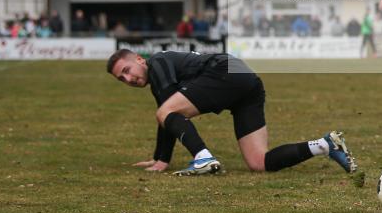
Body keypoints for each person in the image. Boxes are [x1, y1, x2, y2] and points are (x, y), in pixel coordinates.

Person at [107, 49, 356, 176]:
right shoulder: (160, 74)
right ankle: (325, 145)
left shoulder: (158, 63)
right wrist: (160, 157)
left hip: (225, 70)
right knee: (259, 163)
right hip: (247, 81)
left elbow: (167, 113)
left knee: (165, 110)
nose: (128, 78)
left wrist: (162, 160)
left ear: (140, 59)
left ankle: (203, 159)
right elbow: (169, 116)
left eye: (128, 69)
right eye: (121, 78)